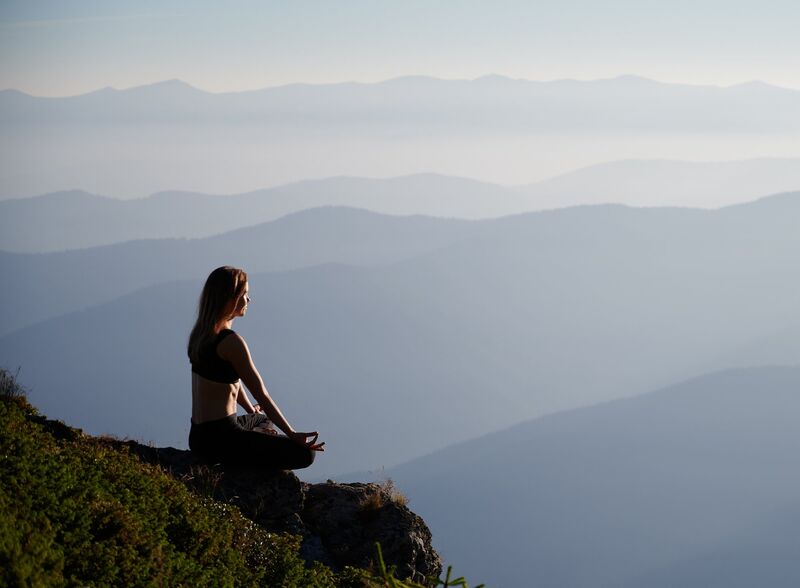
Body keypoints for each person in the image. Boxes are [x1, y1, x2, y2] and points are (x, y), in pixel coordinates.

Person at [187, 266, 324, 469]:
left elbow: (231, 378)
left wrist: (250, 410)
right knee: (307, 454)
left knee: (261, 419)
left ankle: (254, 437)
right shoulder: (232, 342)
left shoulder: (201, 335)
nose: (248, 300)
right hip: (222, 439)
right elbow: (262, 394)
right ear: (230, 298)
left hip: (199, 436)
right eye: (244, 294)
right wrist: (292, 434)